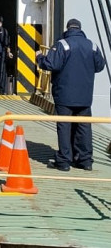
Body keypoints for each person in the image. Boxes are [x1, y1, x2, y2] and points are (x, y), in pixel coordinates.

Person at [36, 18, 107, 171]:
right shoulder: (92, 45)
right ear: (80, 29)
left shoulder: (63, 44)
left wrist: (39, 57)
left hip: (65, 95)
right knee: (84, 127)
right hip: (85, 96)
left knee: (64, 126)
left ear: (67, 29)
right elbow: (100, 66)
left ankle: (63, 161)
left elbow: (50, 64)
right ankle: (85, 160)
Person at [0, 16, 11, 95]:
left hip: (1, 54)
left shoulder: (3, 31)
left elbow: (6, 43)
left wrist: (8, 51)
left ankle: (0, 89)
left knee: (0, 71)